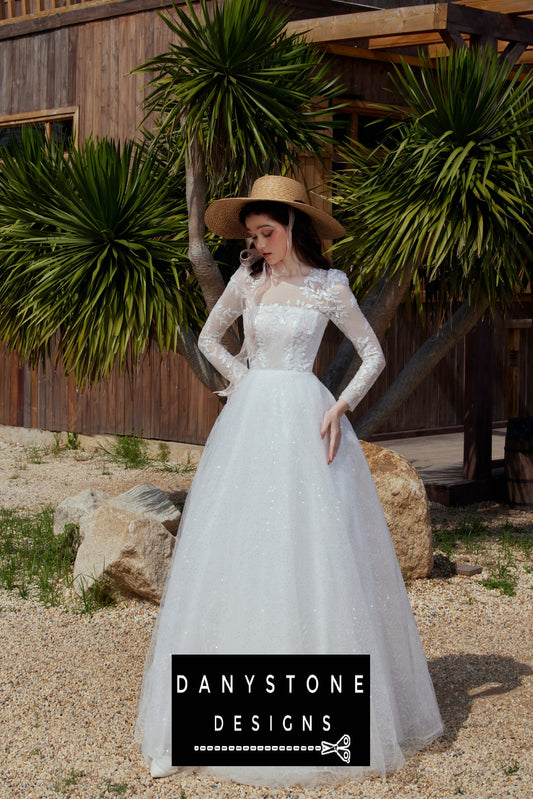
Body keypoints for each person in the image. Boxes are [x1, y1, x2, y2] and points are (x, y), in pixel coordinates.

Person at [135, 175, 443, 787]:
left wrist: (339, 406)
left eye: (267, 233)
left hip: (308, 420)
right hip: (251, 422)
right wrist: (242, 381)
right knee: (241, 548)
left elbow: (372, 353)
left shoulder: (329, 285)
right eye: (251, 236)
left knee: (315, 548)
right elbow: (208, 338)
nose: (257, 246)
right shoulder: (248, 283)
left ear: (294, 227)